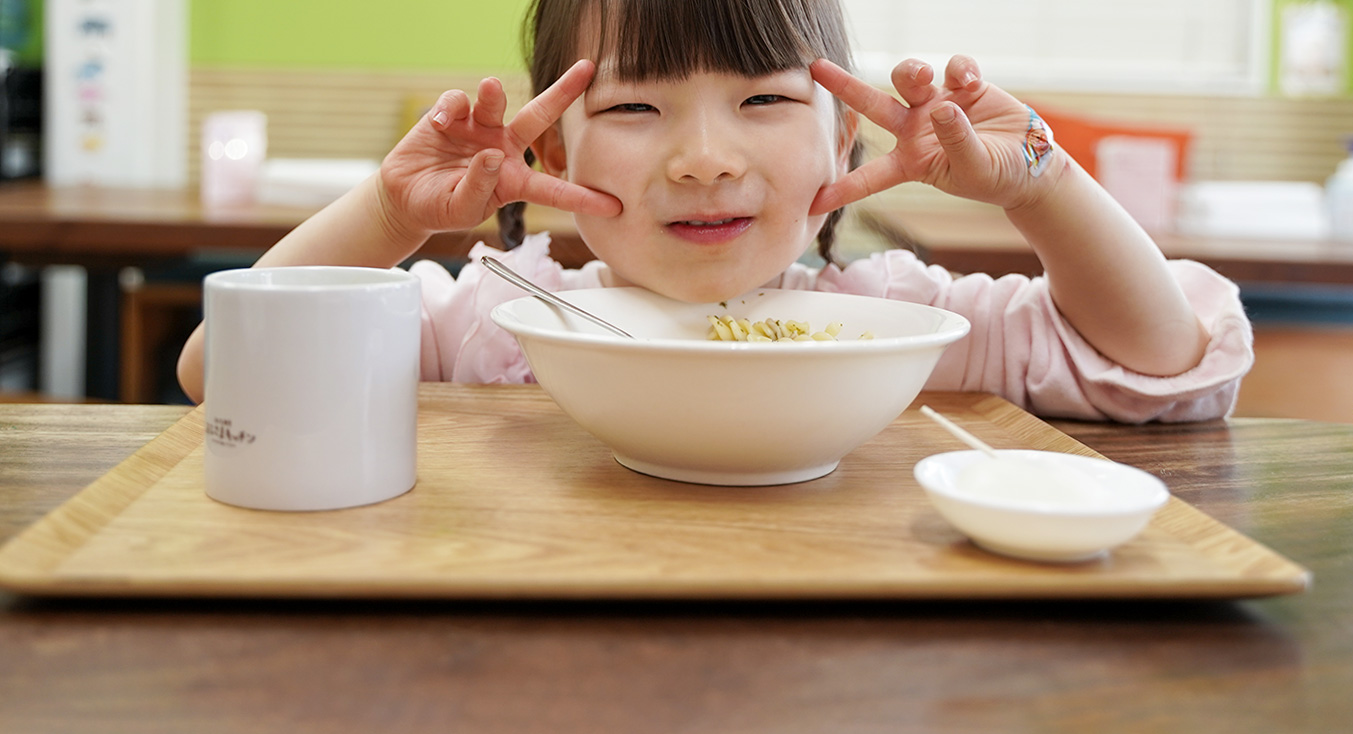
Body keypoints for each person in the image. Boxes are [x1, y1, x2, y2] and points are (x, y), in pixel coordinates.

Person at [177, 0, 1252, 423]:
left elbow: (1160, 364)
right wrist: (387, 210)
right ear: (549, 151)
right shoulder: (501, 318)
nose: (701, 159)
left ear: (843, 141)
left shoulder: (899, 324)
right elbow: (224, 371)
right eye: (637, 105)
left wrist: (1041, 185)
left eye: (764, 102)